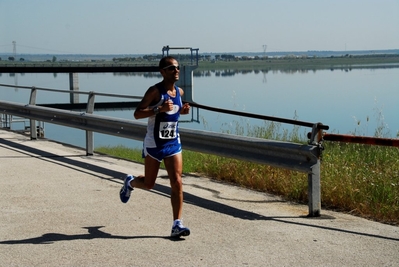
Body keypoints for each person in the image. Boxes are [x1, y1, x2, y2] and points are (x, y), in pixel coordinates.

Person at [119, 56, 191, 238]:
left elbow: (173, 112)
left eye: (177, 68)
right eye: (171, 68)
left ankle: (177, 224)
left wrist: (181, 111)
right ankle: (131, 182)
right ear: (162, 72)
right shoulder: (154, 92)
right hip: (154, 143)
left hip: (173, 142)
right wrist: (158, 109)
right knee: (150, 184)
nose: (176, 71)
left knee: (177, 181)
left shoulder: (180, 93)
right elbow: (137, 114)